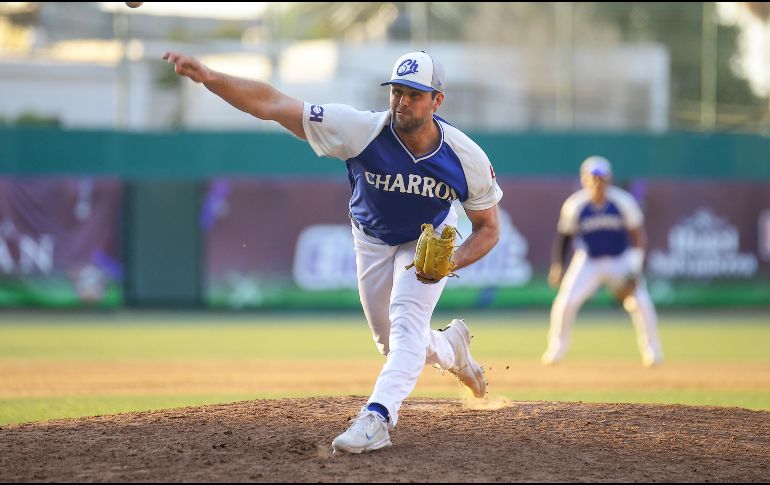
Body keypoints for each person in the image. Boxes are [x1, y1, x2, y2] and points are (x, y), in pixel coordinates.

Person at [163, 50, 503, 453]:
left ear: (437, 101)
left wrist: (449, 262)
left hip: (426, 238)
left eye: (414, 93)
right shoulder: (360, 129)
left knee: (407, 323)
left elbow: (488, 229)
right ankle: (452, 348)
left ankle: (377, 418)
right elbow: (273, 104)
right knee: (392, 342)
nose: (402, 101)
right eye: (397, 91)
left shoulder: (466, 157)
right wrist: (209, 76)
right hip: (371, 238)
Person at [542, 155, 663, 368]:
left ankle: (652, 351)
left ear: (609, 180)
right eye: (593, 177)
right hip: (589, 260)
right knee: (565, 303)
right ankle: (556, 349)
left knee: (641, 303)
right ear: (584, 179)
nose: (597, 182)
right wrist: (558, 266)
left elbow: (637, 237)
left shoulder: (622, 201)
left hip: (620, 259)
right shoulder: (576, 204)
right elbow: (565, 237)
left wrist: (634, 270)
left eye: (602, 178)